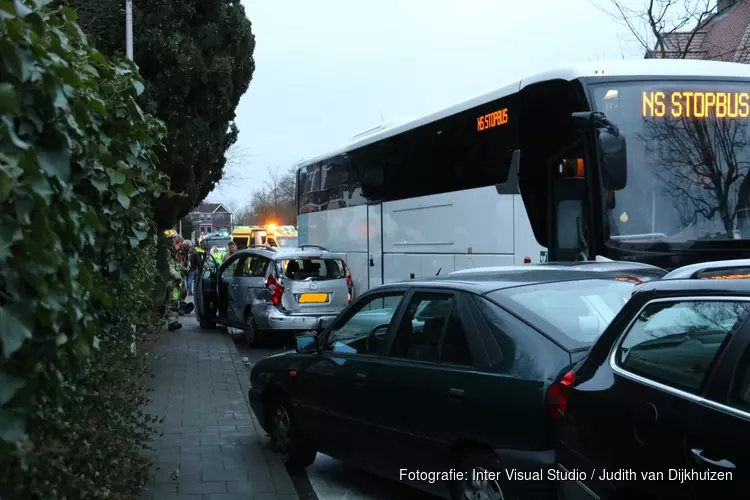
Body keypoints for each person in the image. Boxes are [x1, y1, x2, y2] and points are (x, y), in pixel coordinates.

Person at [166, 237, 183, 331]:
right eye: (178, 243)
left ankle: (173, 321)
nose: (180, 245)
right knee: (169, 302)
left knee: (174, 301)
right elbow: (169, 267)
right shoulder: (167, 253)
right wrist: (176, 275)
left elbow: (177, 266)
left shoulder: (176, 253)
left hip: (175, 283)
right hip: (169, 282)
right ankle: (171, 321)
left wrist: (183, 269)